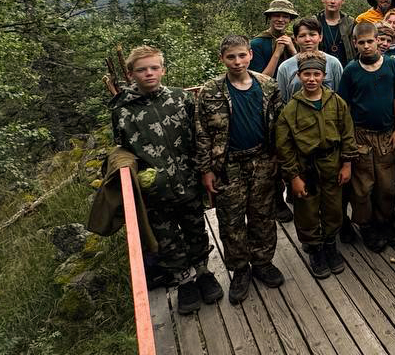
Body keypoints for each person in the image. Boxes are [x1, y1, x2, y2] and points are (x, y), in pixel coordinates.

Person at [110, 45, 220, 314]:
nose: (149, 73)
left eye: (154, 68)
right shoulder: (123, 110)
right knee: (166, 236)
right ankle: (184, 281)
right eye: (142, 69)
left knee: (196, 227)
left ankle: (204, 272)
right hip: (155, 188)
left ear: (163, 69)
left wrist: (204, 169)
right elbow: (122, 148)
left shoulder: (181, 99)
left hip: (188, 178)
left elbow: (198, 136)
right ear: (130, 73)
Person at [195, 35, 285, 304]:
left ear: (250, 55)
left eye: (242, 55)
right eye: (231, 57)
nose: (237, 61)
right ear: (222, 58)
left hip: (263, 159)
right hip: (228, 164)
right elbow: (201, 132)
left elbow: (280, 124)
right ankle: (240, 269)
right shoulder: (210, 91)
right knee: (231, 220)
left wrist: (281, 158)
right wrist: (206, 170)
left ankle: (262, 263)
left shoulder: (268, 86)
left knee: (263, 214)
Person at [275, 55, 358, 280]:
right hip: (305, 168)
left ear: (324, 76)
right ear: (299, 76)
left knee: (333, 208)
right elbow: (284, 147)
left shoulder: (336, 102)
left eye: (316, 74)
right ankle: (314, 249)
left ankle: (330, 244)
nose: (312, 79)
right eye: (307, 74)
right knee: (307, 211)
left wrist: (347, 164)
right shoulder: (291, 109)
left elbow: (348, 134)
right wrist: (293, 177)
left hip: (333, 164)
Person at [339, 21, 395, 253]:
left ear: (379, 41)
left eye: (370, 41)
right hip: (361, 135)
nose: (366, 46)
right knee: (363, 186)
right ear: (355, 43)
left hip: (387, 133)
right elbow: (344, 106)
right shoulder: (351, 70)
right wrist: (349, 139)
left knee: (386, 185)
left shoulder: (391, 65)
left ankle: (384, 221)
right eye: (361, 42)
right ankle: (366, 225)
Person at [276, 16, 343, 101]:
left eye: (312, 34)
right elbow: (282, 100)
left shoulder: (333, 63)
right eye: (302, 36)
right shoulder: (285, 67)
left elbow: (340, 96)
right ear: (295, 39)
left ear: (320, 37)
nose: (307, 39)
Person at [249, 0, 298, 76]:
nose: (280, 20)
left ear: (290, 20)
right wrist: (277, 53)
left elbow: (304, 70)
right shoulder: (257, 43)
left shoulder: (295, 40)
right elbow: (259, 79)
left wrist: (293, 50)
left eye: (285, 17)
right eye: (276, 16)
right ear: (269, 17)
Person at [316, 0, 355, 65]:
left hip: (345, 70)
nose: (333, 1)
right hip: (319, 70)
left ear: (343, 1)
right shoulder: (315, 21)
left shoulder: (350, 23)